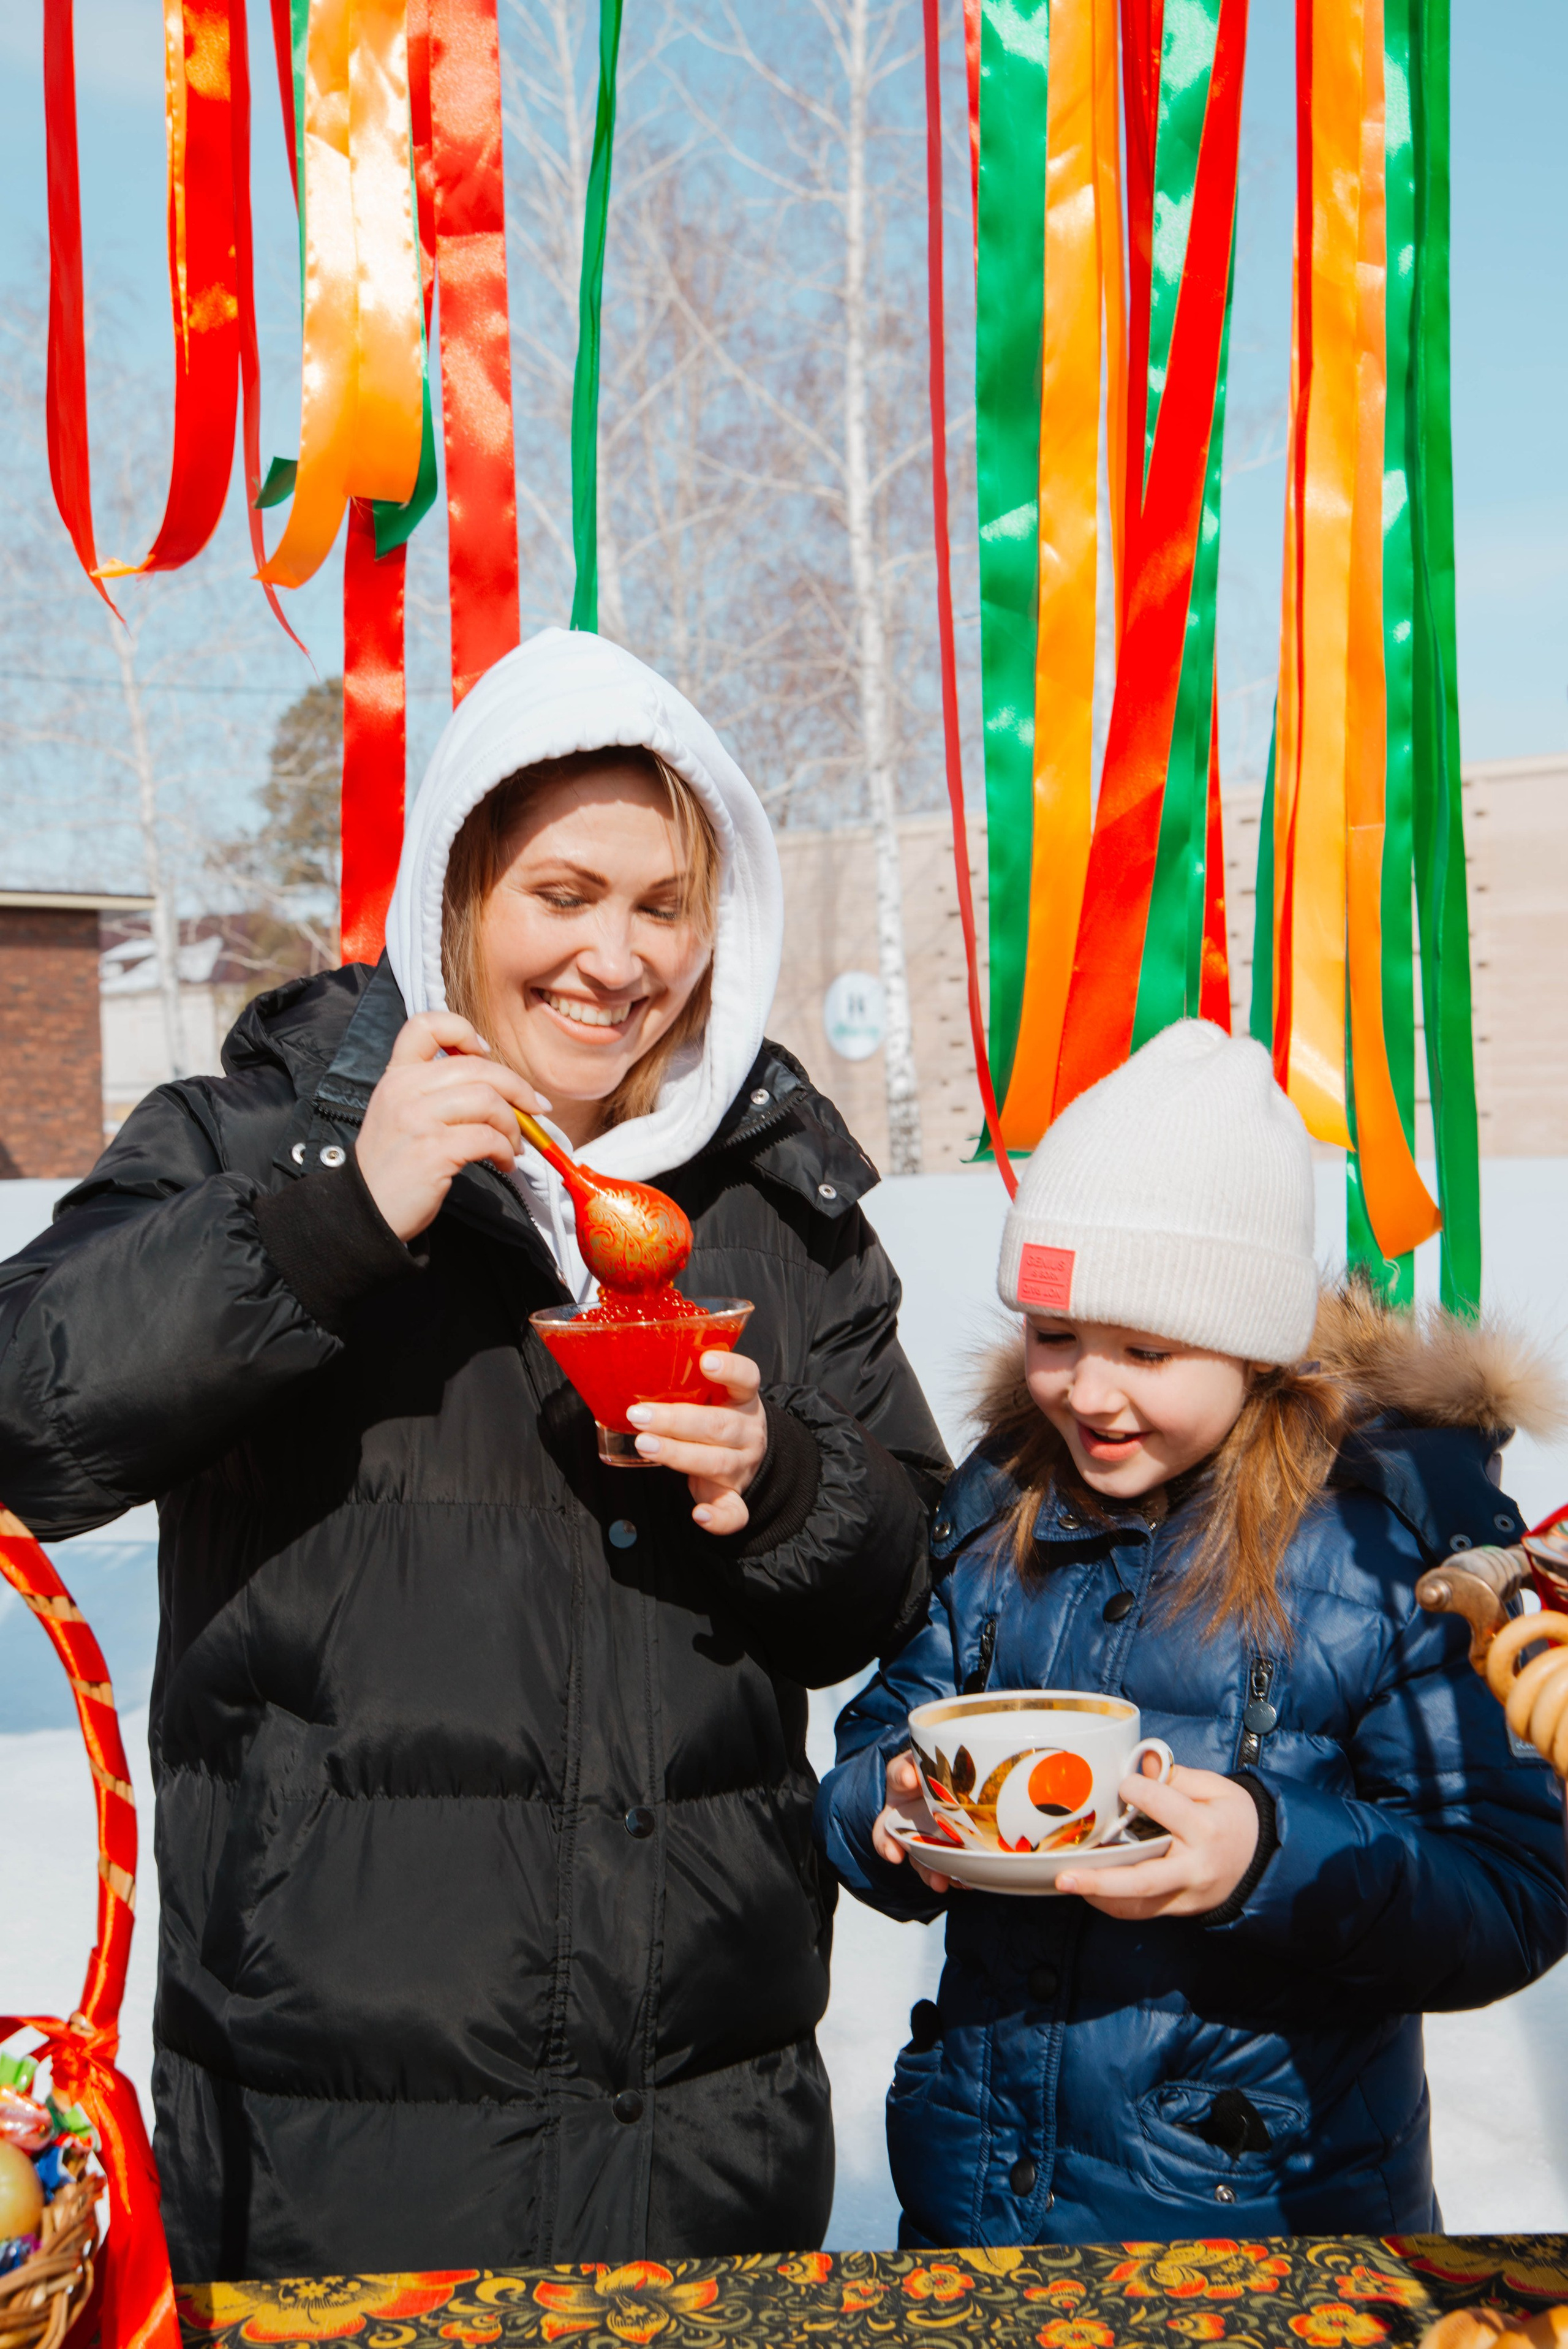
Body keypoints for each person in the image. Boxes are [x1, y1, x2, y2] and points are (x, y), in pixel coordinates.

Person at [0, 629, 947, 2279]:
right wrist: (329, 1227)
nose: (617, 957)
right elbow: (27, 1418)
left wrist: (778, 1480)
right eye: (562, 894)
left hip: (701, 2124)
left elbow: (897, 1576)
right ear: (457, 895)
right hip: (332, 2131)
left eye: (665, 905)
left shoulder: (779, 1199)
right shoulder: (257, 1138)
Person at [816, 1019, 1568, 2245]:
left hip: (1265, 2224)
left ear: (1253, 1342)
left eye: (1146, 1349)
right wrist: (891, 1809)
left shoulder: (1383, 1546)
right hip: (975, 2211)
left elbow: (1511, 1889)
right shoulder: (1005, 1498)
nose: (1087, 1390)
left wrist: (1265, 1856)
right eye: (1053, 1335)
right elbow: (874, 1740)